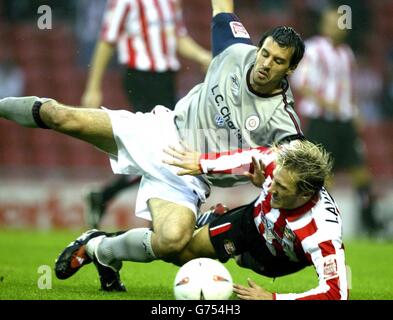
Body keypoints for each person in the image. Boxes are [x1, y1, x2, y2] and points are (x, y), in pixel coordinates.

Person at [0, 0, 305, 291]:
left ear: (289, 70)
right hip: (161, 131)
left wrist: (264, 173)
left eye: (278, 61)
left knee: (173, 243)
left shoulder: (282, 120)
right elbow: (222, 7)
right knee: (59, 116)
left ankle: (99, 248)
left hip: (190, 175)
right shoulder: (235, 50)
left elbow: (293, 165)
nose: (265, 63)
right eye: (264, 53)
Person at [55, 139, 349, 299]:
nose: (269, 186)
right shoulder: (282, 163)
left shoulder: (322, 232)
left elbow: (336, 295)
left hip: (276, 260)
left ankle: (213, 221)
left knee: (237, 261)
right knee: (176, 249)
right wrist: (201, 163)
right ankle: (99, 247)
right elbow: (247, 157)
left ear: (305, 194)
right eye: (272, 180)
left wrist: (272, 299)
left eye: (281, 188)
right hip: (249, 224)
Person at [81, 0, 212, 228]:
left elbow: (177, 38)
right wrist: (93, 87)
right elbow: (107, 40)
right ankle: (162, 219)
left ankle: (105, 196)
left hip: (166, 78)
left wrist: (202, 56)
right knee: (163, 149)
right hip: (141, 77)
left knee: (166, 150)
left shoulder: (171, 3)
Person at [290, 6, 381, 236]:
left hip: (344, 120)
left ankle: (371, 223)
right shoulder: (312, 48)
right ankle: (323, 224)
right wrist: (325, 101)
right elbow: (301, 80)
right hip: (322, 120)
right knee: (323, 174)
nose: (336, 27)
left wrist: (354, 112)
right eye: (331, 22)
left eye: (339, 23)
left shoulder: (347, 53)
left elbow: (349, 88)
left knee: (361, 172)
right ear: (323, 25)